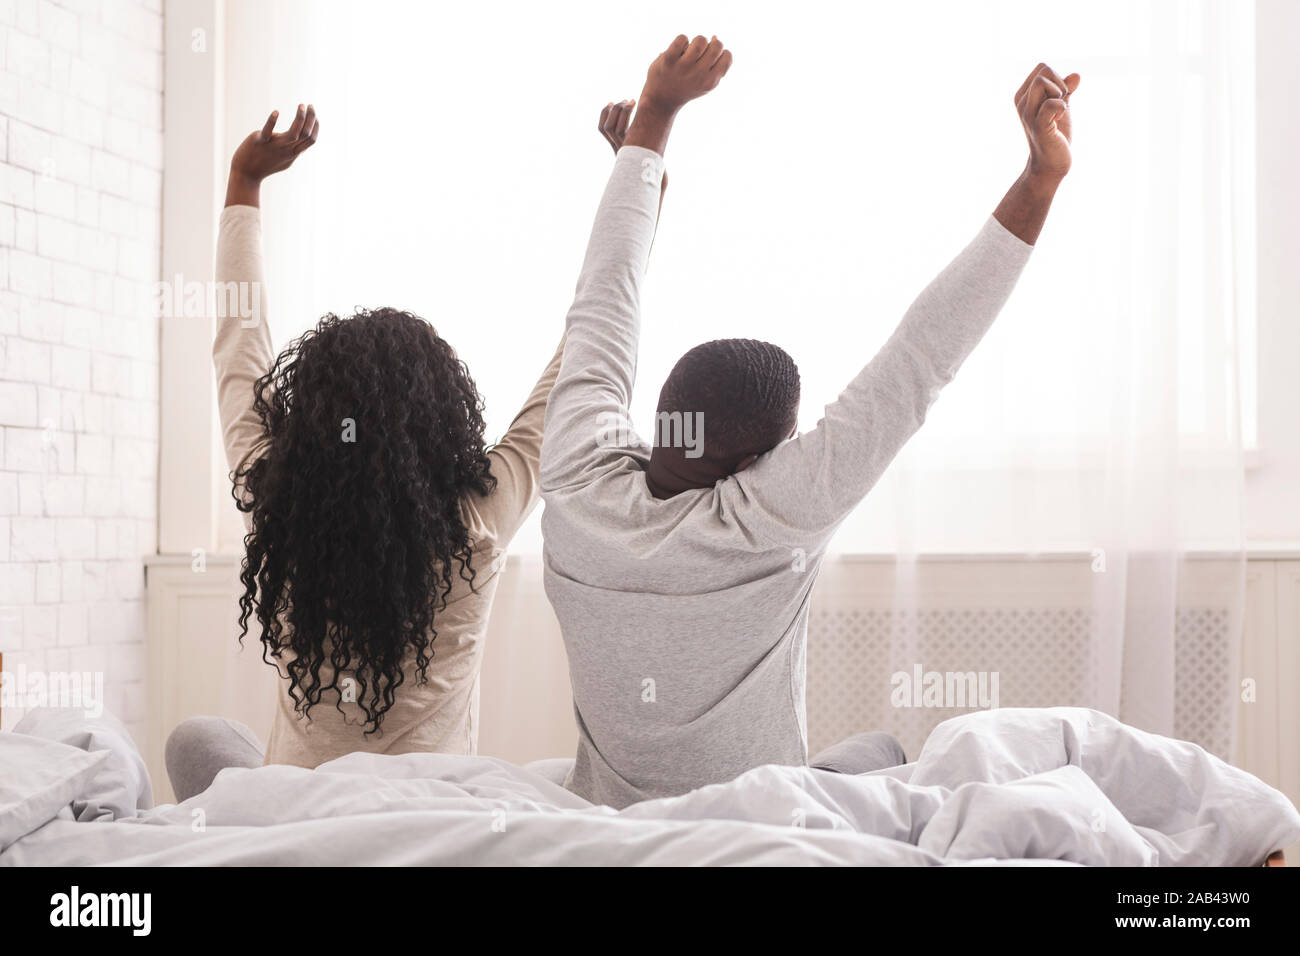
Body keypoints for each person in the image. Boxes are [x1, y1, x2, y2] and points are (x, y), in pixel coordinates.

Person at [540, 36, 1079, 808]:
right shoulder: (768, 518)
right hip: (761, 818)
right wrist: (1040, 177)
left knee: (877, 753)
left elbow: (605, 297)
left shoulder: (573, 475)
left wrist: (653, 119)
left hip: (609, 810)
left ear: (664, 414)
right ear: (758, 460)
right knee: (888, 754)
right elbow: (921, 359)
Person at [165, 103, 574, 801]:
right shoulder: (479, 518)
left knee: (194, 739)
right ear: (445, 416)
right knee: (553, 779)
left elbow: (238, 344)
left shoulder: (276, 507)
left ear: (311, 414)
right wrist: (639, 188)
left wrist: (244, 182)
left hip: (296, 810)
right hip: (433, 810)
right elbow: (577, 370)